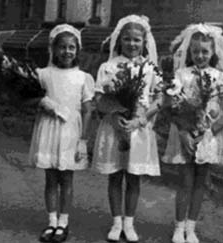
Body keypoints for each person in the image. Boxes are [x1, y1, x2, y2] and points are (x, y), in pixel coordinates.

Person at [163, 23, 223, 243]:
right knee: (185, 182)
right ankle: (178, 227)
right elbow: (172, 107)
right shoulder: (182, 75)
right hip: (186, 134)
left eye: (205, 51)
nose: (200, 55)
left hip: (209, 136)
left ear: (213, 52)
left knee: (200, 183)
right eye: (195, 51)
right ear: (189, 52)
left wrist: (210, 131)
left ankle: (191, 227)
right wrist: (185, 130)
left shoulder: (220, 77)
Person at [92, 15, 162, 242]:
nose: (132, 44)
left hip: (138, 127)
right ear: (119, 41)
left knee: (133, 178)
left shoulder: (150, 68)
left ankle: (129, 223)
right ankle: (116, 222)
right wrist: (114, 115)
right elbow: (100, 99)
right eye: (127, 39)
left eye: (137, 40)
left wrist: (140, 120)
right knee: (115, 176)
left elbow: (160, 98)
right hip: (115, 126)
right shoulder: (108, 67)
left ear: (144, 42)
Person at [26, 24, 94, 243]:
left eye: (72, 47)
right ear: (53, 49)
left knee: (66, 178)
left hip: (70, 132)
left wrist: (83, 140)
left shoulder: (83, 77)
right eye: (62, 47)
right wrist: (44, 102)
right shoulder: (43, 74)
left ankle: (63, 223)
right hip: (49, 128)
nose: (67, 51)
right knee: (50, 178)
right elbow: (29, 98)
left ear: (78, 50)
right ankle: (52, 222)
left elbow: (87, 110)